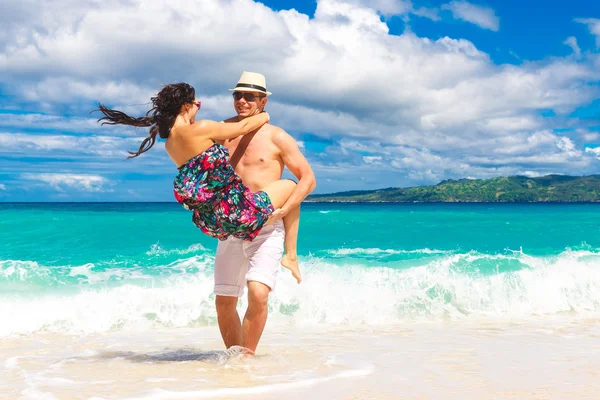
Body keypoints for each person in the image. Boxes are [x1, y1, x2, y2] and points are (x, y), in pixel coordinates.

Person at [94, 81, 303, 286]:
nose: (198, 107)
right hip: (240, 212)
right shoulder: (201, 128)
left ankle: (287, 251)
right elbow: (244, 126)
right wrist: (265, 115)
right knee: (292, 186)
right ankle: (291, 254)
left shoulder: (170, 144)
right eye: (197, 104)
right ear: (186, 106)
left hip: (216, 222)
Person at [214, 72, 316, 354]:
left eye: (250, 96)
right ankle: (236, 361)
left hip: (266, 228)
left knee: (258, 294)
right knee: (224, 302)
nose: (242, 100)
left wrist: (285, 208)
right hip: (231, 228)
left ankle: (248, 357)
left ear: (263, 100)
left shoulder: (277, 137)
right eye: (237, 95)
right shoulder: (223, 132)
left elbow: (307, 178)